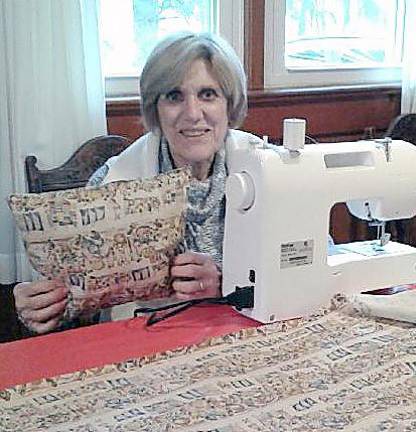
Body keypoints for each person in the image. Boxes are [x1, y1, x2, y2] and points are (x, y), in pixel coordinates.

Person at [13, 31, 263, 333]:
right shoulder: (111, 181)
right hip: (144, 339)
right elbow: (75, 300)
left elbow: (311, 263)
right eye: (174, 96)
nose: (193, 113)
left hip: (248, 332)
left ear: (229, 103)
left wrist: (227, 281)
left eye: (208, 94)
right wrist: (41, 306)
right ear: (155, 109)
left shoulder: (267, 167)